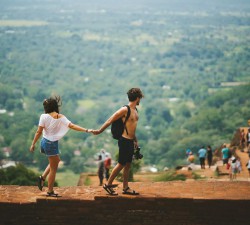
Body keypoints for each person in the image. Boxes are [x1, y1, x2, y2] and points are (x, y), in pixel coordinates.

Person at [29, 96, 92, 197]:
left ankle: (42, 178)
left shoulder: (43, 116)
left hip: (44, 142)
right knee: (54, 168)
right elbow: (72, 126)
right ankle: (49, 191)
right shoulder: (60, 117)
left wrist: (33, 144)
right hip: (51, 144)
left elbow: (38, 132)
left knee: (56, 161)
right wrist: (87, 130)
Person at [92, 87, 144, 195]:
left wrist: (135, 141)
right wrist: (99, 130)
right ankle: (108, 184)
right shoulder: (125, 109)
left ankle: (125, 188)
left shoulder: (135, 110)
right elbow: (110, 120)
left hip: (130, 141)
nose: (140, 100)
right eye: (140, 98)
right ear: (137, 98)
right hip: (124, 140)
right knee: (121, 164)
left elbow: (132, 127)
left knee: (128, 164)